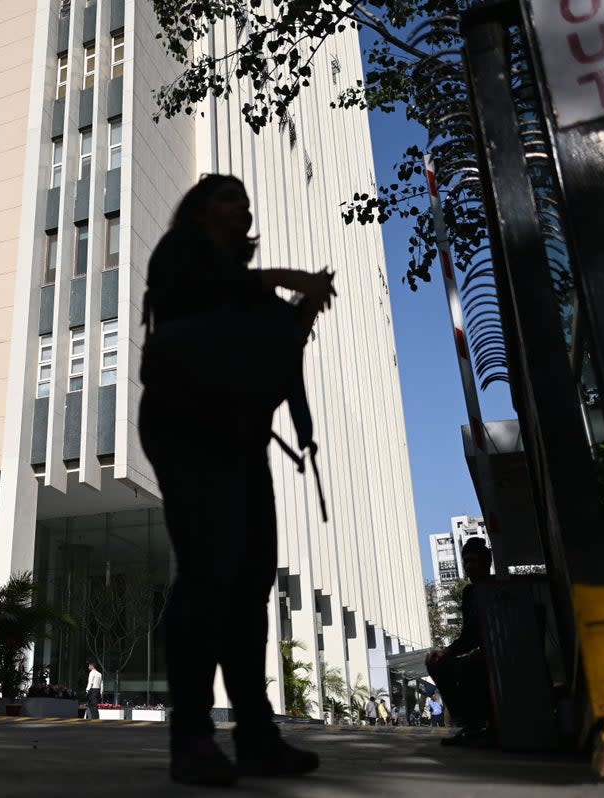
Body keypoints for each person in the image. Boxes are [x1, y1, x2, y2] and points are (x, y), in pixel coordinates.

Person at [139, 175, 336, 787]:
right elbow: (187, 297)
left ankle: (256, 736)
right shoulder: (180, 252)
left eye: (246, 201)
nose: (241, 208)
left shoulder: (246, 286)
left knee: (250, 582)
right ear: (200, 211)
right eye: (229, 198)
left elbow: (279, 353)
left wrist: (304, 310)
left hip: (241, 434)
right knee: (205, 574)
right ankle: (191, 738)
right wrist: (279, 280)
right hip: (185, 421)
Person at [425, 537, 495, 746]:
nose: (469, 566)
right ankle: (467, 722)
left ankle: (480, 724)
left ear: (487, 562)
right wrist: (447, 652)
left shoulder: (498, 587)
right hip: (478, 653)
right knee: (436, 662)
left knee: (468, 668)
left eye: (473, 561)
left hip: (502, 653)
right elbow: (468, 635)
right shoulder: (469, 593)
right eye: (465, 561)